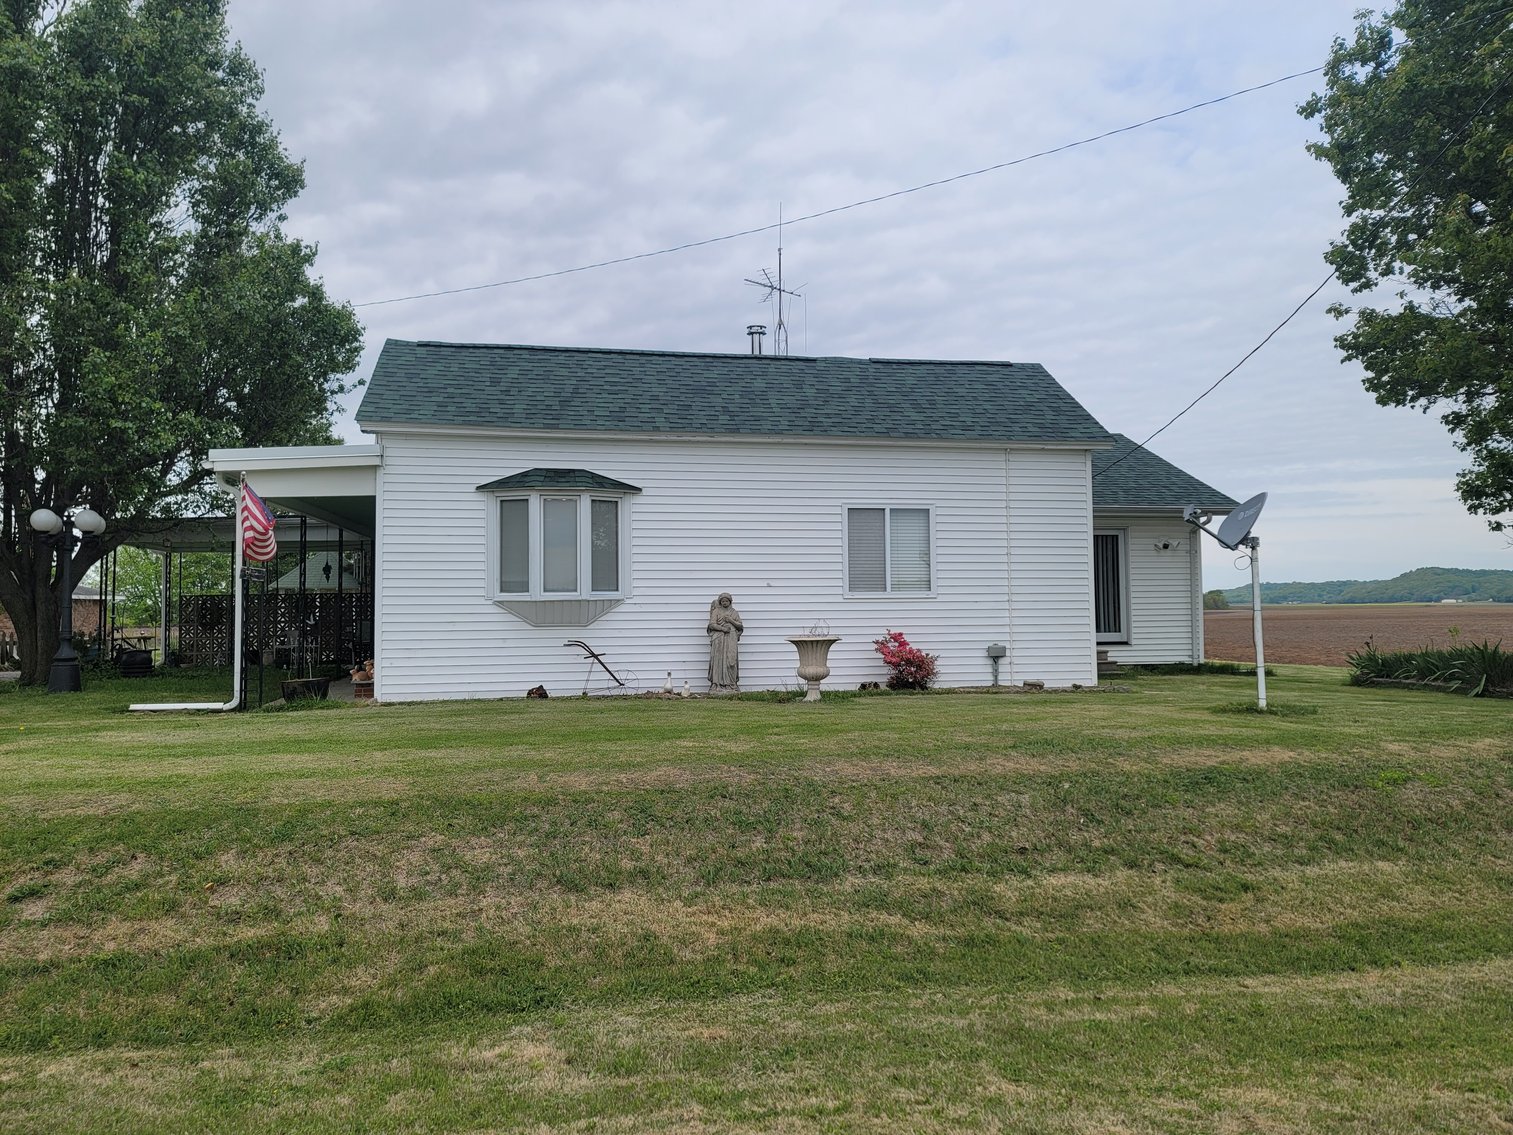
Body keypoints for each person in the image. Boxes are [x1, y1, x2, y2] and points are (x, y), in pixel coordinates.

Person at [706, 592, 743, 693]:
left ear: (730, 602)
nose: (725, 603)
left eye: (726, 601)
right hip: (719, 639)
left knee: (731, 661)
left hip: (731, 638)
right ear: (720, 602)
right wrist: (722, 629)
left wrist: (731, 620)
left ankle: (731, 684)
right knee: (718, 660)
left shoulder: (734, 612)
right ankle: (716, 684)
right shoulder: (716, 611)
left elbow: (740, 626)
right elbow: (711, 625)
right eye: (723, 601)